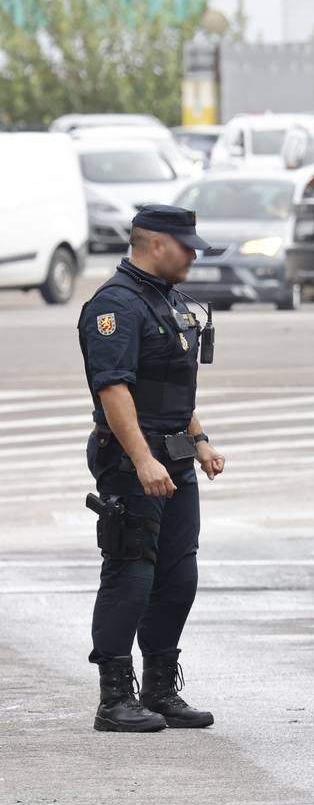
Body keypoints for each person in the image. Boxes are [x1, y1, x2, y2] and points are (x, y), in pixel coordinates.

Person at [76, 205, 226, 733]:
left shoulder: (169, 299)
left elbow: (171, 385)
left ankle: (160, 688)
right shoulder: (114, 306)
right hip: (130, 458)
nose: (193, 255)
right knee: (131, 572)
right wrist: (142, 459)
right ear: (156, 243)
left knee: (178, 575)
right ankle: (114, 697)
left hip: (177, 457)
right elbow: (114, 389)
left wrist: (199, 440)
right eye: (187, 246)